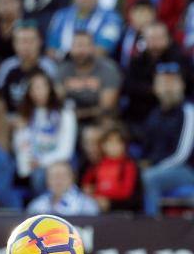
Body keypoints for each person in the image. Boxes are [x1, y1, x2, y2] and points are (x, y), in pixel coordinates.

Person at [140, 63, 194, 217]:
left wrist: (155, 167)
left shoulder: (188, 111)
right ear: (155, 87)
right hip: (159, 168)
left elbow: (183, 154)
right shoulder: (154, 114)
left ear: (182, 85)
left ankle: (154, 227)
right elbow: (146, 148)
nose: (167, 87)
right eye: (162, 83)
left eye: (172, 82)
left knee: (150, 177)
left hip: (187, 170)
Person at [13, 71, 77, 192]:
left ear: (51, 89)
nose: (39, 91)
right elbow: (21, 145)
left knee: (43, 175)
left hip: (56, 162)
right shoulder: (24, 116)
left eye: (42, 87)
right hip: (32, 163)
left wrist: (41, 162)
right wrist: (25, 167)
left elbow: (66, 150)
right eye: (34, 87)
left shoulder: (65, 114)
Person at [55, 30, 121, 125]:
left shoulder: (108, 69)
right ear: (71, 49)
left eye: (85, 46)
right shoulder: (63, 69)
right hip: (68, 120)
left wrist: (78, 114)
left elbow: (106, 107)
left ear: (93, 48)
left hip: (99, 121)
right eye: (77, 46)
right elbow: (56, 100)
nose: (81, 51)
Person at [0, 20, 57, 112]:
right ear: (14, 44)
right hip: (11, 118)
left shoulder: (49, 67)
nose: (26, 46)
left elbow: (56, 97)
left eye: (31, 41)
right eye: (22, 41)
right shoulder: (6, 67)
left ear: (40, 42)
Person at [46, 0, 123, 60]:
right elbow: (51, 49)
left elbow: (103, 50)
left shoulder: (111, 18)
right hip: (62, 63)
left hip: (96, 65)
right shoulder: (61, 15)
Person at [81, 126, 140, 212]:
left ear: (124, 145)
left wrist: (107, 199)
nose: (113, 146)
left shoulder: (128, 165)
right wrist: (94, 195)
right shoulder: (98, 164)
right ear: (103, 146)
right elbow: (87, 183)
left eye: (117, 142)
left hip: (122, 211)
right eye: (109, 142)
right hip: (99, 207)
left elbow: (127, 192)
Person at [27, 161, 99, 215]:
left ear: (72, 178)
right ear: (47, 180)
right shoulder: (37, 205)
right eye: (54, 176)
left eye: (63, 175)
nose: (58, 179)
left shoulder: (86, 205)